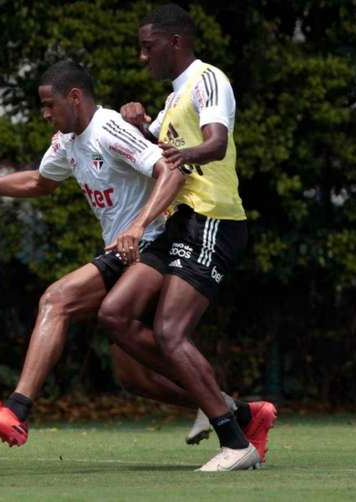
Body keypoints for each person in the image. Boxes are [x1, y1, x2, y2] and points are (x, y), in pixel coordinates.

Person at [0, 60, 249, 451]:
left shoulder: (109, 129)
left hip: (152, 245)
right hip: (124, 249)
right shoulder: (67, 141)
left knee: (57, 299)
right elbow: (38, 181)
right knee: (134, 378)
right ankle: (238, 411)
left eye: (50, 105)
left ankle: (16, 410)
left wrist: (137, 227)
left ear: (75, 97)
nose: (45, 114)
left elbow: (171, 172)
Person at [97, 4, 276, 471]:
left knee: (170, 331)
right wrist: (139, 125)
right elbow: (158, 151)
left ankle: (235, 441)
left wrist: (180, 155)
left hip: (212, 219)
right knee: (114, 314)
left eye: (148, 46)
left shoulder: (208, 79)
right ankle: (234, 408)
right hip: (180, 224)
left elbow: (215, 143)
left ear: (174, 43)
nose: (142, 56)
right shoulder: (173, 100)